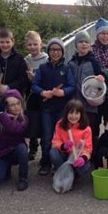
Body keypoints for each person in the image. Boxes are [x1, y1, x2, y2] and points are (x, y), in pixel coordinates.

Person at [32, 38, 75, 175]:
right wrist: (43, 92)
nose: (55, 52)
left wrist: (62, 92)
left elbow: (72, 86)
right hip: (46, 109)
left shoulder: (66, 68)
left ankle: (59, 162)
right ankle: (45, 162)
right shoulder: (42, 68)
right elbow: (35, 85)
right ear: (48, 51)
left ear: (62, 52)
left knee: (62, 137)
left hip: (62, 110)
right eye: (52, 49)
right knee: (47, 136)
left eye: (58, 50)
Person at [68, 30, 106, 138]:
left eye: (86, 42)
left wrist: (102, 78)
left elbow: (102, 76)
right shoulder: (71, 62)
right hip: (74, 104)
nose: (84, 44)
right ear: (76, 45)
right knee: (75, 133)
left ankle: (91, 155)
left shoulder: (93, 61)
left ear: (90, 45)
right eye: (80, 42)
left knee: (90, 132)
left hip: (89, 105)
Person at [50, 99, 93, 189]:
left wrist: (83, 158)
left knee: (86, 166)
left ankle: (73, 175)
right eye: (71, 113)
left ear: (81, 114)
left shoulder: (86, 129)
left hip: (76, 156)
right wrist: (63, 146)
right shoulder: (60, 124)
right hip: (64, 154)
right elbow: (55, 142)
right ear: (66, 113)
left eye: (77, 113)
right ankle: (63, 172)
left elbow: (88, 148)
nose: (73, 116)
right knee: (53, 153)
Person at [0, 28, 28, 116]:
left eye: (7, 42)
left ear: (13, 42)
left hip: (14, 101)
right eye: (2, 42)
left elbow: (23, 80)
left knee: (15, 125)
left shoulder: (19, 59)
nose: (5, 45)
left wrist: (8, 87)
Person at [23, 31, 48, 161]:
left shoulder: (46, 59)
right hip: (31, 96)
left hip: (43, 95)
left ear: (41, 44)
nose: (32, 47)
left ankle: (45, 150)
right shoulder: (26, 60)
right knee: (31, 120)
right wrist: (28, 79)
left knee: (44, 122)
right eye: (30, 44)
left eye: (35, 44)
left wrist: (36, 79)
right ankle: (33, 148)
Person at [91, 18, 108, 136]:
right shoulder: (91, 50)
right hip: (95, 93)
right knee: (94, 123)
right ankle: (94, 150)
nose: (105, 36)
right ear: (97, 34)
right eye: (102, 33)